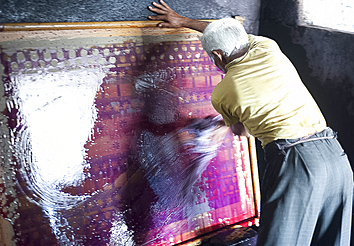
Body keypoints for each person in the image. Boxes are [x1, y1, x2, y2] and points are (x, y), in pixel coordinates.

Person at [148, 1, 353, 245]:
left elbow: (241, 131)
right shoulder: (267, 47)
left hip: (298, 165)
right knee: (331, 240)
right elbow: (226, 32)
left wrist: (218, 124)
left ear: (217, 56)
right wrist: (182, 21)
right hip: (335, 155)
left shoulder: (224, 91)